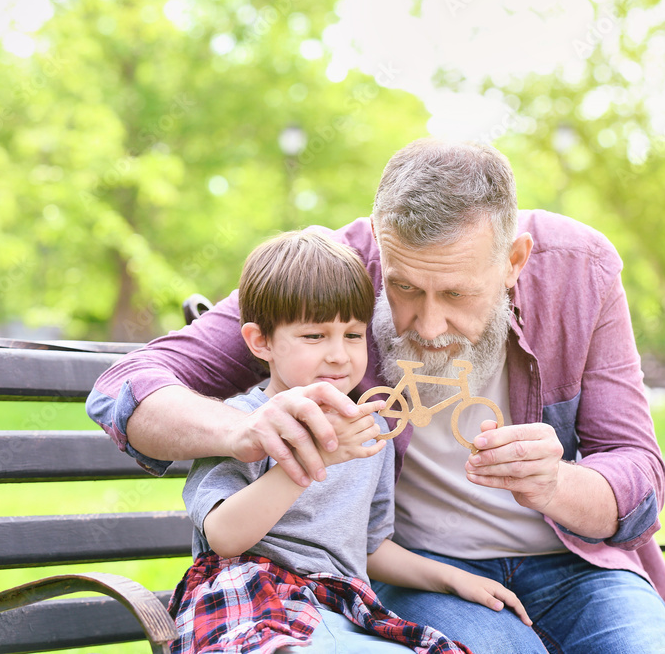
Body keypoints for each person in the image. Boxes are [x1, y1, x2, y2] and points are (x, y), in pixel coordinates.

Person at [88, 139, 665, 653]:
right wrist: (244, 433)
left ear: (513, 261)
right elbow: (126, 387)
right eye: (403, 287)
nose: (427, 324)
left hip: (579, 566)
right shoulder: (333, 273)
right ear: (379, 244)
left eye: (455, 293)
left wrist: (557, 484)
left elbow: (639, 476)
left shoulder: (580, 271)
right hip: (426, 570)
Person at [165, 230, 530, 653]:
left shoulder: (371, 428)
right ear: (261, 341)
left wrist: (450, 578)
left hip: (338, 603)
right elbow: (224, 536)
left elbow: (370, 548)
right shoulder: (245, 423)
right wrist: (313, 457)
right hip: (251, 593)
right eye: (315, 337)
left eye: (353, 335)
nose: (339, 355)